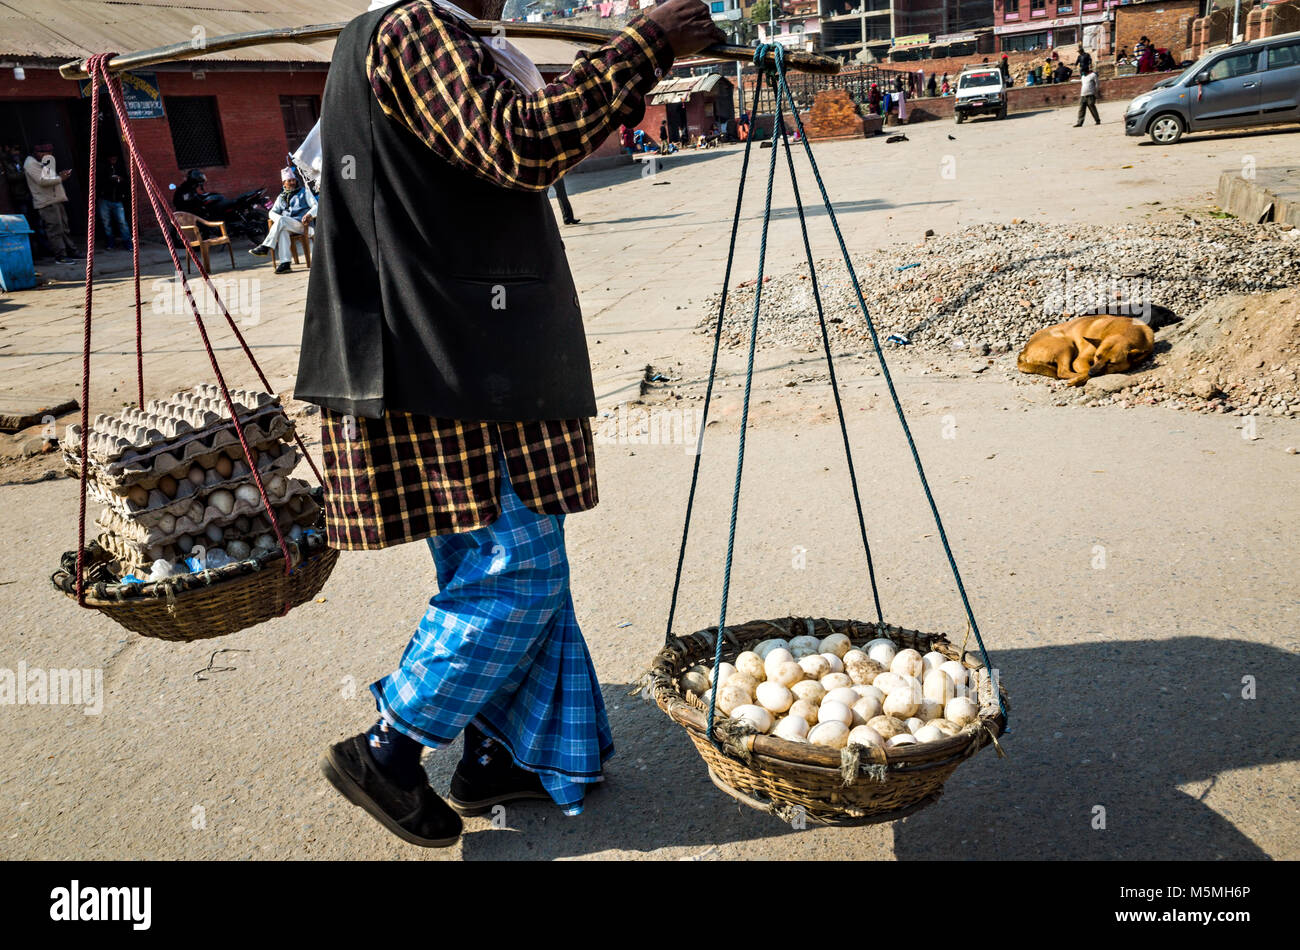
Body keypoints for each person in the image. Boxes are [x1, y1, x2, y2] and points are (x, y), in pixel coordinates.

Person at [294, 0, 724, 847]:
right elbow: (519, 142)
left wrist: (637, 63)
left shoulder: (460, 41)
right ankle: (388, 746)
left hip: (458, 350)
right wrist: (646, 47)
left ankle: (510, 755)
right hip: (447, 356)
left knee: (513, 567)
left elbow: (508, 133)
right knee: (515, 573)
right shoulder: (415, 28)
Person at [250, 165, 316, 273]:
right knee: (282, 231)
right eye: (289, 181)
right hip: (288, 225)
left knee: (282, 222)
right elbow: (272, 212)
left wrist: (309, 214)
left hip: (305, 225)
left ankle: (265, 246)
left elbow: (316, 206)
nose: (292, 182)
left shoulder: (305, 192)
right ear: (284, 183)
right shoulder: (281, 197)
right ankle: (285, 263)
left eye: (293, 180)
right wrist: (280, 219)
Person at [24, 144, 78, 263]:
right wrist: (60, 178)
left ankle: (71, 251)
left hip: (56, 200)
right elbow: (42, 181)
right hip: (46, 202)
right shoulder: (30, 163)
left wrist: (59, 175)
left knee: (64, 228)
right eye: (46, 153)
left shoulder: (42, 162)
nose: (48, 156)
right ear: (37, 153)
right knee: (55, 230)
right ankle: (60, 256)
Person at [97, 154, 132, 251]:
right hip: (105, 199)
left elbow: (127, 181)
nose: (113, 159)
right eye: (111, 157)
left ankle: (128, 243)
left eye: (115, 158)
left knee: (122, 222)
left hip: (117, 200)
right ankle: (110, 243)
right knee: (106, 223)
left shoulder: (120, 167)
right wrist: (109, 179)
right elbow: (98, 182)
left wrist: (120, 180)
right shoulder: (102, 168)